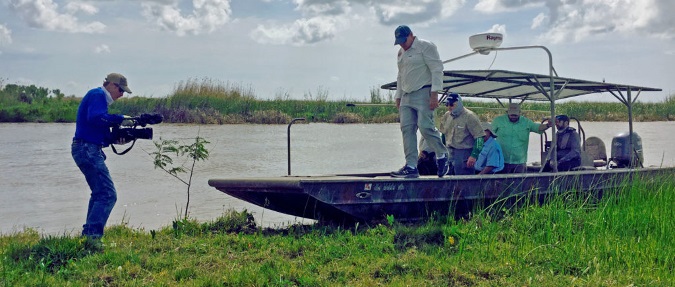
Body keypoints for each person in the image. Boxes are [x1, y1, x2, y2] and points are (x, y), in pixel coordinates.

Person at [71, 73, 132, 240]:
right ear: (111, 85)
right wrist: (120, 119)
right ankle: (93, 238)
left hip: (87, 148)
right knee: (107, 194)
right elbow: (96, 118)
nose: (121, 95)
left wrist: (119, 139)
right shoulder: (97, 94)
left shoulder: (100, 101)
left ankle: (89, 236)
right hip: (86, 149)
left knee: (100, 193)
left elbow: (99, 131)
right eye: (120, 90)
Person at [390, 25, 449, 178]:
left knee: (425, 126)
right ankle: (411, 166)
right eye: (399, 41)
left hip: (424, 91)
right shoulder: (400, 52)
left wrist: (435, 93)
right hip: (406, 95)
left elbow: (437, 69)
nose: (402, 44)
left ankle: (442, 154)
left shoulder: (425, 46)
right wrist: (398, 95)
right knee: (406, 129)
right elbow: (400, 75)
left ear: (411, 35)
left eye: (404, 40)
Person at [491, 103, 551, 173]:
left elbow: (538, 128)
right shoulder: (498, 121)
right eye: (511, 115)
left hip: (520, 162)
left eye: (515, 115)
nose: (513, 117)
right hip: (501, 160)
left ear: (520, 113)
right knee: (500, 182)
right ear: (507, 113)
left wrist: (548, 125)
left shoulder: (526, 122)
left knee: (519, 183)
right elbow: (488, 134)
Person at [439, 93, 484, 175]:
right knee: (447, 176)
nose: (449, 107)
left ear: (459, 103)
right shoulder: (446, 115)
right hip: (449, 151)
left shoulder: (470, 116)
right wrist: (442, 149)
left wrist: (474, 155)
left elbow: (480, 137)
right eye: (447, 104)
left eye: (452, 104)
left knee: (463, 180)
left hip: (464, 152)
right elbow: (443, 134)